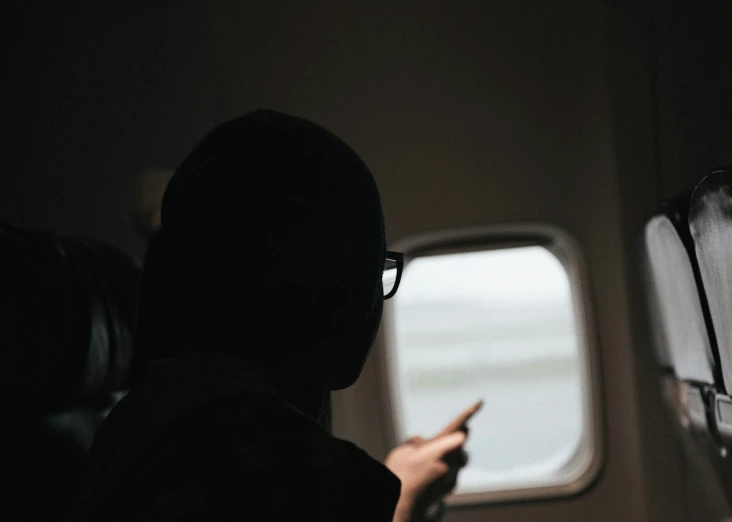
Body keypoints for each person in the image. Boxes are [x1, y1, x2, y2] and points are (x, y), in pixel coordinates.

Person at [76, 109, 480, 522]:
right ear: (339, 289)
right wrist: (404, 501)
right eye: (377, 268)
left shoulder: (162, 416)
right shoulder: (286, 469)